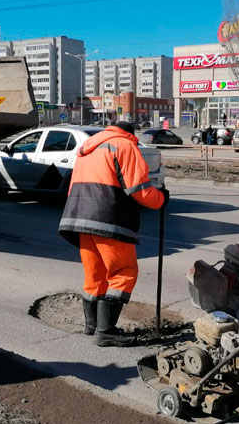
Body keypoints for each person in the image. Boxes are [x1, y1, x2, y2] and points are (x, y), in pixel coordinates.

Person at [59, 121, 168, 347]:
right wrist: (161, 199)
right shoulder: (124, 145)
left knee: (95, 274)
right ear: (130, 133)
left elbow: (72, 186)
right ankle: (106, 331)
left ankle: (92, 326)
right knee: (123, 272)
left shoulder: (88, 147)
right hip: (108, 218)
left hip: (78, 216)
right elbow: (140, 190)